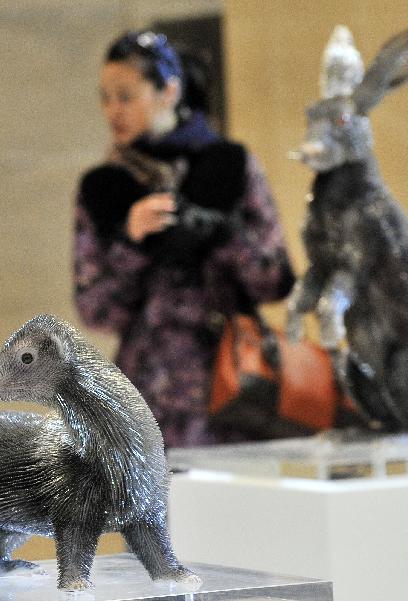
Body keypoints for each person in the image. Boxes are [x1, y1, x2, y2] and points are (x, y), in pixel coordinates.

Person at [74, 30, 295, 447]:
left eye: (125, 96)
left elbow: (275, 281)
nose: (112, 111)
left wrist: (220, 232)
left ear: (169, 91)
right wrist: (131, 241)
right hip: (146, 398)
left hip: (234, 390)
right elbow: (96, 312)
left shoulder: (229, 166)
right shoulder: (105, 187)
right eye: (105, 97)